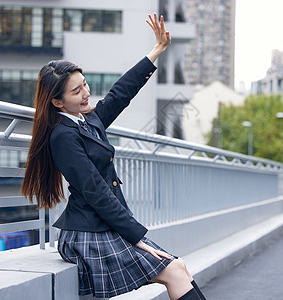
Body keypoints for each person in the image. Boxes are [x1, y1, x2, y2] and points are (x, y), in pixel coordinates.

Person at [21, 14, 206, 300]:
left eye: (84, 84)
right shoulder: (63, 136)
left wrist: (156, 51)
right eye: (76, 91)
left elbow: (119, 94)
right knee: (175, 270)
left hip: (104, 224)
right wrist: (136, 236)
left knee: (178, 268)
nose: (86, 93)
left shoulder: (86, 119)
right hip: (87, 234)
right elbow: (95, 191)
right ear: (57, 102)